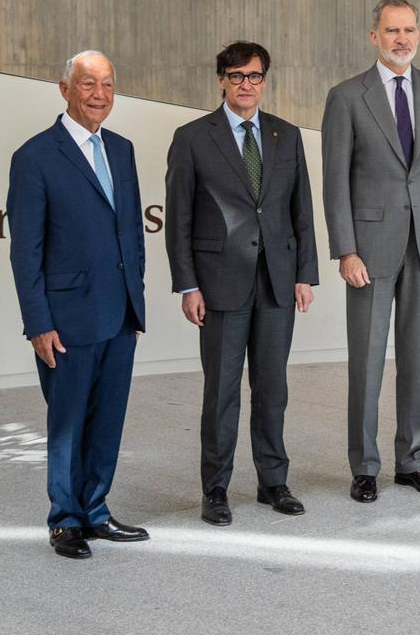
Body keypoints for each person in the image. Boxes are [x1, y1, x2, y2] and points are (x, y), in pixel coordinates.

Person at [165, 41, 320, 525]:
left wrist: (305, 275)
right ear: (221, 81)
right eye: (236, 76)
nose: (245, 85)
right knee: (222, 392)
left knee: (273, 388)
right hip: (219, 284)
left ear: (264, 80)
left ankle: (273, 482)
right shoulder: (192, 137)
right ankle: (216, 489)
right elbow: (180, 219)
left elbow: (302, 212)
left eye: (254, 76)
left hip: (277, 281)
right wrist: (188, 285)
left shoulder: (286, 135)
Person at [321, 0, 420, 504]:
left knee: (417, 357)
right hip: (369, 249)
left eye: (408, 30)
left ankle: (412, 460)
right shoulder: (346, 97)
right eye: (391, 31)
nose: (401, 39)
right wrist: (345, 250)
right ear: (373, 36)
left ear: (419, 35)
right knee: (366, 361)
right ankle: (364, 466)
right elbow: (335, 181)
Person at [7, 50, 149, 559]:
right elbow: (26, 252)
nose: (100, 95)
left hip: (119, 314)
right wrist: (38, 323)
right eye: (88, 84)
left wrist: (137, 299)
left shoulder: (124, 149)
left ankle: (95, 510)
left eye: (108, 85)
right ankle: (64, 519)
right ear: (64, 89)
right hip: (65, 319)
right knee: (67, 422)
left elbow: (130, 232)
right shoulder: (35, 157)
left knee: (108, 419)